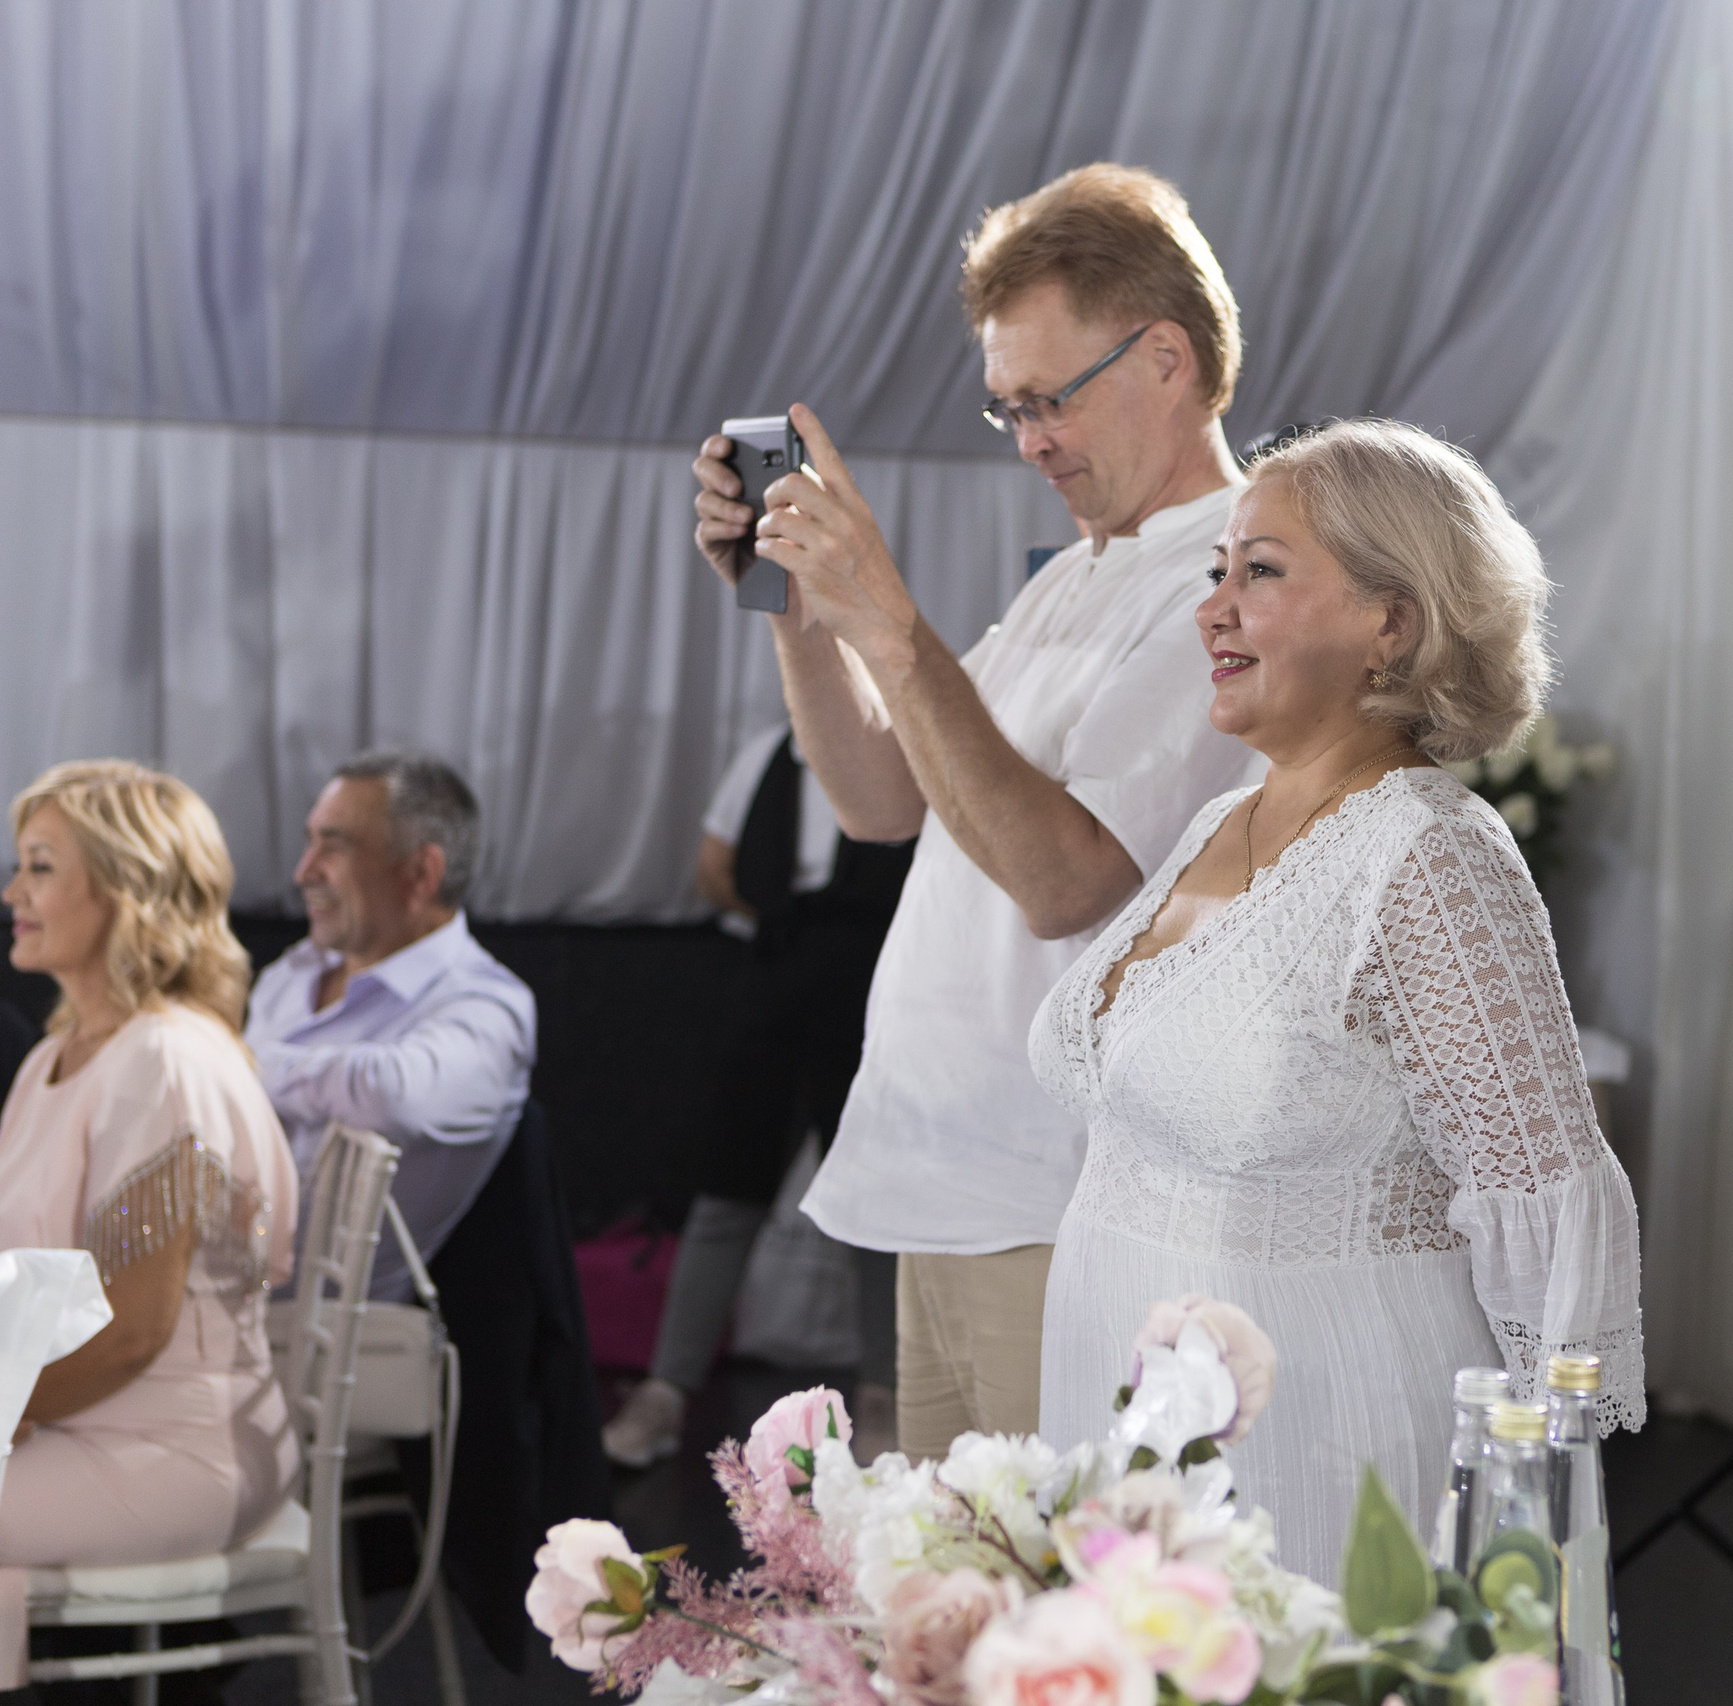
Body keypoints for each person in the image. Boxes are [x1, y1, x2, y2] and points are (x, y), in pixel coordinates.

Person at [690, 164, 1261, 1457]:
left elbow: (1067, 879)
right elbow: (883, 800)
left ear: (1168, 358)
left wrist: (887, 616)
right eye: (1008, 411)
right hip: (950, 1179)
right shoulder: (1077, 575)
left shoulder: (1228, 580)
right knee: (946, 1619)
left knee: (1044, 1616)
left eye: (1049, 400)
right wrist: (796, 606)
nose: (1034, 442)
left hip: (1064, 1200)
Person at [1030, 420, 1646, 1576]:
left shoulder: (1430, 856)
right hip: (1134, 1415)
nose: (1211, 608)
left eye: (1258, 571)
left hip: (1317, 1450)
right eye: (1217, 571)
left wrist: (1533, 1538)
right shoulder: (1224, 819)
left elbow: (1543, 1198)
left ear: (1391, 622)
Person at [0, 761, 299, 1698]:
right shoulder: (57, 1052)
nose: (9, 893)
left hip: (176, 1446)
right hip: (91, 1424)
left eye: (39, 867)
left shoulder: (163, 1056)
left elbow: (135, 1332)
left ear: (127, 888)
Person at [602, 721, 913, 1467]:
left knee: (876, 1205)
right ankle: (666, 1392)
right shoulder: (767, 755)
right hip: (773, 977)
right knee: (727, 1187)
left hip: (878, 984)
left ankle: (883, 1398)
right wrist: (784, 923)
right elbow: (715, 868)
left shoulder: (907, 746)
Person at [244, 750, 534, 1300]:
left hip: (310, 1344)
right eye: (310, 842)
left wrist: (234, 1065)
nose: (303, 872)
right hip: (207, 1292)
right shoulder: (292, 972)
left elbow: (394, 1096)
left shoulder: (487, 1006)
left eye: (333, 845)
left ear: (421, 873)